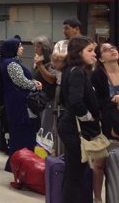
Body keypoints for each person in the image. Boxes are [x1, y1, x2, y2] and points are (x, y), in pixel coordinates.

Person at [58, 36, 104, 203]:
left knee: (74, 172)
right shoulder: (77, 72)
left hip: (69, 125)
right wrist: (88, 117)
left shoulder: (70, 69)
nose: (94, 54)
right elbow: (76, 101)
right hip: (74, 127)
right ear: (78, 52)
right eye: (89, 51)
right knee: (75, 174)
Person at [0, 38, 42, 172]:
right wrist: (35, 85)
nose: (22, 48)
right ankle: (19, 164)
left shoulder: (12, 62)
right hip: (19, 104)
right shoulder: (11, 64)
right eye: (19, 46)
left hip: (15, 102)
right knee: (22, 135)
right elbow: (21, 82)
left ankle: (18, 164)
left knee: (20, 135)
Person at [91, 42, 119, 202]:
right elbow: (96, 102)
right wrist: (113, 101)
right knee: (99, 163)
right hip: (104, 123)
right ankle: (97, 198)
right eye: (107, 50)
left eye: (114, 48)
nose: (113, 51)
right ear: (101, 58)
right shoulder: (97, 76)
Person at [32, 35, 57, 131]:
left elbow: (51, 79)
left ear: (45, 48)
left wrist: (40, 65)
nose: (35, 49)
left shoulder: (51, 62)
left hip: (48, 100)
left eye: (38, 47)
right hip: (39, 100)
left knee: (45, 128)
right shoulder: (39, 60)